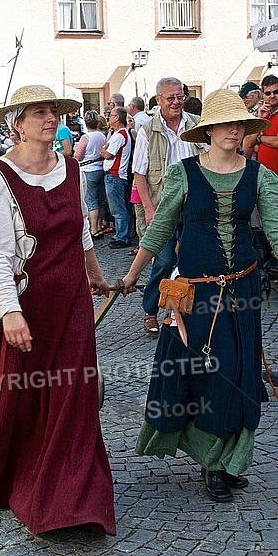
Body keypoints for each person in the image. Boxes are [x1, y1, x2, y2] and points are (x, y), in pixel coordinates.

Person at [0, 85, 116, 536]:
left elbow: (80, 232)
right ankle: (18, 473)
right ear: (17, 123)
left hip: (73, 302)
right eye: (39, 112)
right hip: (29, 302)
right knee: (20, 394)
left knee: (74, 396)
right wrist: (10, 312)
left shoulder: (73, 168)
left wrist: (95, 273)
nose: (48, 118)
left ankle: (72, 499)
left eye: (53, 111)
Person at [122, 89, 276, 503]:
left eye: (240, 123)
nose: (234, 129)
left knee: (240, 374)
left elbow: (277, 233)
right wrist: (131, 276)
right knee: (204, 374)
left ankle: (226, 461)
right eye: (225, 123)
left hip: (242, 291)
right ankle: (210, 461)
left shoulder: (259, 175)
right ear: (206, 130)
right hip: (194, 294)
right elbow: (159, 231)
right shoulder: (183, 173)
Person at [132, 77, 203, 336]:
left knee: (190, 260)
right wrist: (149, 210)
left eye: (179, 96)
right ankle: (150, 310)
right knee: (163, 261)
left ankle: (177, 311)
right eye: (170, 97)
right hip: (163, 207)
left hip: (195, 205)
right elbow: (139, 175)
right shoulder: (147, 130)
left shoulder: (196, 125)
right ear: (158, 100)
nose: (176, 102)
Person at [101, 106, 132, 249]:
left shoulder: (120, 135)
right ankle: (122, 234)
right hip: (115, 176)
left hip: (115, 175)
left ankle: (123, 237)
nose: (109, 118)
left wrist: (103, 150)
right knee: (118, 208)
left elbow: (108, 154)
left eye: (111, 115)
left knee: (118, 209)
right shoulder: (120, 134)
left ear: (117, 118)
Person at [74, 110, 106, 238]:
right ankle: (99, 226)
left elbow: (78, 156)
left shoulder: (86, 137)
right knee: (100, 199)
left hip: (88, 169)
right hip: (100, 168)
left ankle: (93, 229)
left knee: (91, 201)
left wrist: (76, 148)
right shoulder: (102, 136)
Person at [244, 74, 278, 175]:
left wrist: (259, 139)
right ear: (263, 95)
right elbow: (248, 144)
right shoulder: (260, 114)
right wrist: (260, 119)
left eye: (276, 92)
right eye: (268, 93)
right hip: (264, 176)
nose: (272, 95)